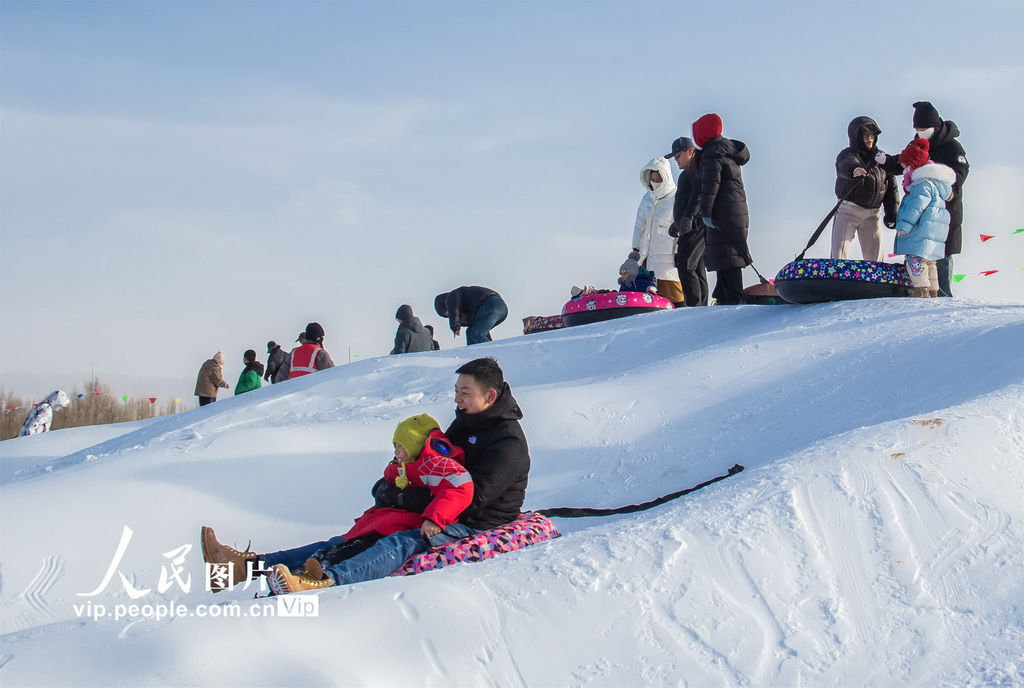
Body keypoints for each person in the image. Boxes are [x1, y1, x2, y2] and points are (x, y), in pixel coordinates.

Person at [200, 356, 531, 593]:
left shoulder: (507, 442)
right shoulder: (466, 421)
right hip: (439, 505)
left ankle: (327, 579)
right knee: (352, 537)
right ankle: (244, 567)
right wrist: (393, 484)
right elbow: (433, 464)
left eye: (465, 393)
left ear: (489, 396)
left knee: (404, 540)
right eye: (456, 391)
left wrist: (404, 498)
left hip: (479, 519)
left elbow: (473, 499)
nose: (457, 400)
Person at [264, 413, 475, 593]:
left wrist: (435, 518)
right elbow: (385, 486)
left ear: (415, 445)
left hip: (403, 526)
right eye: (395, 446)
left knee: (364, 548)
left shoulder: (436, 465)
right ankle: (297, 575)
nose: (396, 452)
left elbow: (460, 487)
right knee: (341, 545)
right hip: (383, 522)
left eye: (400, 446)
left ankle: (317, 580)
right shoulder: (404, 466)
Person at [903, 102, 969, 297]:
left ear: (935, 126)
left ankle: (944, 296)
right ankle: (923, 293)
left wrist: (953, 189)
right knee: (921, 253)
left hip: (946, 210)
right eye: (917, 129)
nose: (920, 132)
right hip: (923, 212)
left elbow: (961, 170)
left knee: (943, 255)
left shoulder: (952, 146)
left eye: (924, 129)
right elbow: (905, 162)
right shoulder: (916, 145)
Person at [692, 113, 752, 306]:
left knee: (728, 256)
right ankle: (725, 296)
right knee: (727, 255)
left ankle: (732, 298)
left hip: (722, 212)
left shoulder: (713, 153)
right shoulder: (727, 151)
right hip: (734, 210)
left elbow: (710, 185)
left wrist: (706, 212)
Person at [830, 116, 899, 262]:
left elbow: (891, 189)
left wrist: (892, 214)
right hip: (848, 211)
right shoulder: (848, 154)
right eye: (865, 136)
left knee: (876, 262)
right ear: (856, 137)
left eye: (872, 135)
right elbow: (844, 164)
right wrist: (854, 169)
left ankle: (874, 285)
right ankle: (836, 283)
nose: (869, 139)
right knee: (838, 258)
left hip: (872, 215)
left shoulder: (882, 159)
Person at [893, 138, 955, 297]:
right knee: (930, 261)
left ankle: (920, 290)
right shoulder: (935, 184)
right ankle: (933, 290)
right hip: (932, 232)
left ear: (912, 167)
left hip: (920, 230)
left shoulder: (921, 185)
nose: (904, 172)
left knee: (915, 260)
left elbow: (915, 207)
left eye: (905, 168)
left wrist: (904, 227)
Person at [666, 136, 709, 306]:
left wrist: (688, 218)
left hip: (694, 226)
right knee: (697, 268)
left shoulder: (695, 171)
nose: (676, 160)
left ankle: (694, 306)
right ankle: (700, 306)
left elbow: (697, 197)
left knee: (686, 266)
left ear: (690, 151)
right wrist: (676, 224)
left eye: (678, 155)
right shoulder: (689, 173)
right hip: (690, 225)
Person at [633, 157, 683, 304]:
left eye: (658, 178)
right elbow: (639, 224)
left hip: (668, 256)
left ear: (665, 176)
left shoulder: (676, 197)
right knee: (647, 295)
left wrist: (680, 253)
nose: (655, 182)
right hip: (646, 255)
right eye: (652, 178)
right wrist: (635, 247)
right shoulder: (647, 198)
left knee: (673, 295)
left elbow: (680, 227)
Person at [434, 287, 508, 345]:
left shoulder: (452, 296)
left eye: (448, 313)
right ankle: (474, 356)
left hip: (491, 304)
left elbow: (454, 309)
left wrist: (455, 326)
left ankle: (494, 352)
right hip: (500, 309)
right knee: (471, 332)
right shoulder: (467, 303)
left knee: (476, 333)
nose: (449, 315)